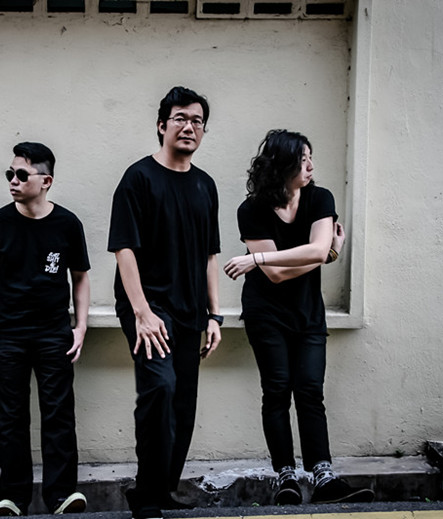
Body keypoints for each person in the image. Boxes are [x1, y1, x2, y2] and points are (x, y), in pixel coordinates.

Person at [223, 129, 374, 505]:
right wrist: (322, 254)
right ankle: (286, 476)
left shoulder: (320, 198)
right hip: (266, 313)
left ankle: (324, 477)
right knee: (276, 390)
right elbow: (278, 274)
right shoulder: (251, 210)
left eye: (310, 157)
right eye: (302, 159)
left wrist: (258, 258)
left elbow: (318, 249)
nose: (310, 166)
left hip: (307, 313)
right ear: (281, 165)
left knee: (309, 390)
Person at [107, 86, 223, 519]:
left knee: (183, 403)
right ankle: (146, 492)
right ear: (161, 126)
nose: (189, 127)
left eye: (197, 121)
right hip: (149, 305)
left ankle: (162, 489)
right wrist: (142, 313)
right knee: (160, 387)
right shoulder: (138, 178)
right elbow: (124, 249)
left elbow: (210, 255)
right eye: (180, 118)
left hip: (191, 308)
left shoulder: (205, 185)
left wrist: (215, 314)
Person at [0, 142, 90, 516]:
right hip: (7, 336)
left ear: (46, 181)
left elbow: (80, 277)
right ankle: (13, 498)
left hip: (54, 335)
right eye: (10, 174)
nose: (13, 181)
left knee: (59, 415)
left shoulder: (67, 224)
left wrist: (80, 327)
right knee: (10, 419)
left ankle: (61, 496)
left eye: (22, 174)